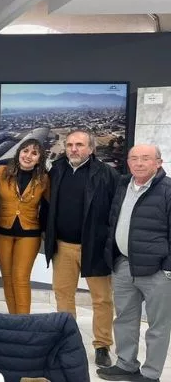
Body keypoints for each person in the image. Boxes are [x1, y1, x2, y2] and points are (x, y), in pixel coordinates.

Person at [44, 129, 118, 368]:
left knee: (102, 299)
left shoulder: (107, 173)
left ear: (91, 148)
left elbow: (116, 211)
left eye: (79, 145)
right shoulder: (57, 170)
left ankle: (102, 345)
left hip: (95, 246)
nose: (73, 149)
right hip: (63, 246)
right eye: (70, 145)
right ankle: (68, 341)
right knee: (63, 295)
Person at [97, 145, 171, 382]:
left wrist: (168, 268)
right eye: (134, 158)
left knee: (158, 325)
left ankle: (151, 374)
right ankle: (126, 365)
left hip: (157, 271)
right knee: (124, 320)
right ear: (128, 162)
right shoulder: (122, 185)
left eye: (146, 158)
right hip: (124, 265)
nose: (139, 163)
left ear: (158, 163)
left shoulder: (168, 190)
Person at [0, 138, 50, 315]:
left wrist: (48, 232)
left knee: (21, 278)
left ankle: (24, 322)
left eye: (34, 153)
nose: (28, 156)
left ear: (39, 159)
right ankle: (13, 320)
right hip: (1, 232)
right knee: (7, 278)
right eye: (25, 151)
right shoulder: (0, 173)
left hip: (30, 234)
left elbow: (48, 207)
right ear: (19, 153)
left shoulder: (44, 179)